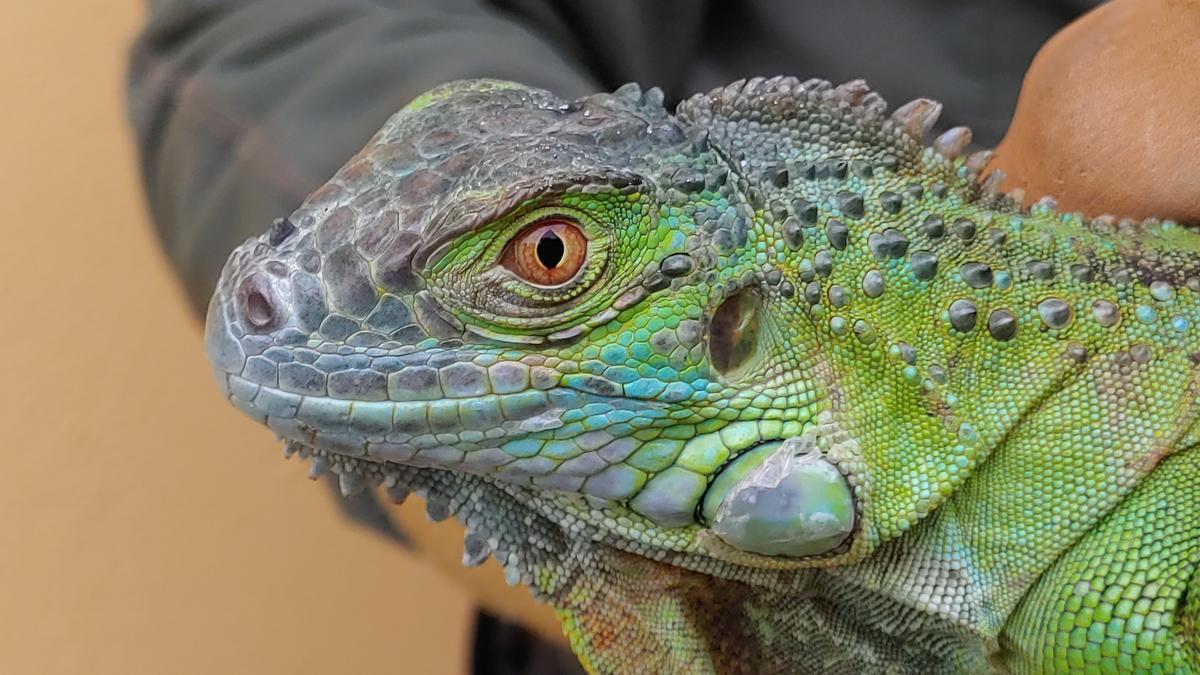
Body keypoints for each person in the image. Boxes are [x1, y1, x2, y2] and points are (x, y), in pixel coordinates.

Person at [126, 1, 1199, 672]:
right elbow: (278, 33)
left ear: (740, 330)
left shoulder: (1128, 563)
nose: (261, 301)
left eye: (549, 259)